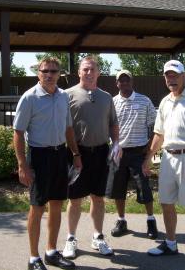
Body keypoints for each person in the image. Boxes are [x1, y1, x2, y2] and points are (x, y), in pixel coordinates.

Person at [13, 57, 82, 270]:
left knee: (56, 205)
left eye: (53, 71)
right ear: (38, 73)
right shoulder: (29, 98)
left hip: (59, 155)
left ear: (59, 73)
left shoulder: (63, 97)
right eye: (45, 71)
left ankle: (51, 252)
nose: (49, 75)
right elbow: (18, 132)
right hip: (39, 156)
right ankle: (33, 258)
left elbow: (68, 128)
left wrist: (75, 154)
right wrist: (22, 164)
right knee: (37, 207)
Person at [143, 59, 185, 267]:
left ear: (183, 76)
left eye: (174, 75)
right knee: (166, 202)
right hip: (168, 159)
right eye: (167, 75)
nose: (170, 79)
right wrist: (148, 157)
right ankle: (171, 243)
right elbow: (158, 134)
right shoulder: (164, 102)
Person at [62, 56, 122, 259]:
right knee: (75, 198)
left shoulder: (106, 97)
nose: (88, 73)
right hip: (77, 153)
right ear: (79, 72)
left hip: (101, 153)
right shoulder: (67, 95)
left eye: (92, 69)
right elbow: (65, 127)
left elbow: (113, 123)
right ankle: (70, 239)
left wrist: (116, 143)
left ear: (98, 73)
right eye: (85, 69)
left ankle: (98, 236)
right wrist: (74, 153)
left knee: (98, 198)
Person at [105, 69, 159, 239]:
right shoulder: (111, 103)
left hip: (138, 152)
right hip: (118, 153)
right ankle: (121, 221)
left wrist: (149, 147)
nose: (124, 83)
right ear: (117, 83)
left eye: (127, 80)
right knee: (117, 189)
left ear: (132, 82)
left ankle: (151, 221)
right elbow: (108, 127)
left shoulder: (144, 101)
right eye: (121, 81)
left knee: (144, 187)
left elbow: (156, 127)